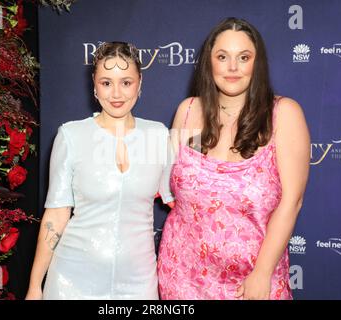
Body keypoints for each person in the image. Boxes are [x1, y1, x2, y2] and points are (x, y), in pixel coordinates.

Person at [157, 17, 310, 300]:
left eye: (243, 57)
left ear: (257, 63)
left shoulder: (283, 114)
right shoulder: (188, 111)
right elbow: (161, 183)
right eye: (222, 56)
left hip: (252, 280)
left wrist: (262, 273)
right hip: (181, 276)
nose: (232, 67)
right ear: (209, 62)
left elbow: (292, 201)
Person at [25, 42, 174, 300]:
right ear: (94, 85)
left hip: (139, 283)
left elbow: (183, 202)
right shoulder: (71, 135)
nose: (116, 93)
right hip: (72, 281)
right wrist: (35, 286)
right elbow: (57, 214)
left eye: (126, 82)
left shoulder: (158, 136)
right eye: (106, 83)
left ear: (140, 83)